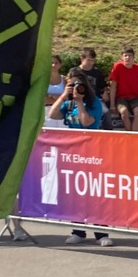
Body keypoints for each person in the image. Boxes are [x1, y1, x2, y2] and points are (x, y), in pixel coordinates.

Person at [49, 68, 114, 247]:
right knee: (75, 194)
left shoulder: (94, 102)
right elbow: (52, 114)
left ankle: (101, 233)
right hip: (73, 154)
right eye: (72, 85)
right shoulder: (68, 103)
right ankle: (78, 230)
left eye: (79, 85)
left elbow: (87, 122)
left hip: (92, 153)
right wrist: (64, 95)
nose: (76, 88)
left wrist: (80, 102)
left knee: (94, 194)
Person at [109, 46, 138, 132]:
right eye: (125, 55)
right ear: (122, 57)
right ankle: (129, 135)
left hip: (136, 98)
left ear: (133, 57)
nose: (127, 58)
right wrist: (112, 105)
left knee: (137, 112)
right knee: (124, 112)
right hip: (121, 98)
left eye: (130, 55)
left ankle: (134, 135)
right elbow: (113, 86)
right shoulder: (117, 67)